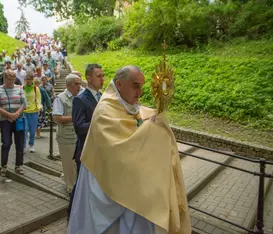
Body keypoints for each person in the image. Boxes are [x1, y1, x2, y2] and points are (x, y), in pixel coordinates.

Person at [67, 66, 191, 234]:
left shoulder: (130, 106)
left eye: (142, 86)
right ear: (119, 84)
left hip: (132, 188)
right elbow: (119, 151)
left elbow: (138, 124)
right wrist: (149, 130)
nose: (140, 92)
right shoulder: (105, 111)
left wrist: (155, 120)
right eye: (135, 86)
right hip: (109, 188)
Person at [67, 64, 104, 218]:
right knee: (81, 187)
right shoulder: (80, 100)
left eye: (103, 76)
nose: (102, 79)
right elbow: (79, 127)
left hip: (101, 151)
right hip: (85, 151)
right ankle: (71, 215)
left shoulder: (103, 98)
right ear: (89, 78)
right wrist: (100, 122)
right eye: (99, 76)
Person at [0, 69, 27, 176]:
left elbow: (24, 104)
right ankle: (4, 166)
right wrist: (9, 115)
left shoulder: (20, 88)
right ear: (4, 78)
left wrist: (16, 114)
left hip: (19, 120)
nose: (11, 81)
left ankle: (19, 165)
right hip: (5, 121)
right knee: (6, 143)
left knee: (20, 143)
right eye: (8, 79)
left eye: (13, 79)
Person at [52, 74, 82, 194]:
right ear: (68, 85)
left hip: (78, 135)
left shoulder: (80, 95)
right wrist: (76, 118)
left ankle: (75, 185)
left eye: (80, 83)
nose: (79, 86)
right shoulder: (60, 98)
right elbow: (57, 118)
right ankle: (71, 188)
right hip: (66, 137)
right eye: (76, 84)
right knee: (69, 164)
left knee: (76, 164)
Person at [23, 72, 42, 153]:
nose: (28, 81)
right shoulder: (22, 88)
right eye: (27, 79)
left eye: (30, 79)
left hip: (33, 112)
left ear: (32, 80)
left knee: (33, 130)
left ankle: (31, 145)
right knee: (24, 129)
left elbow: (38, 99)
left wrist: (39, 107)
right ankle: (23, 145)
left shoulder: (35, 88)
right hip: (24, 112)